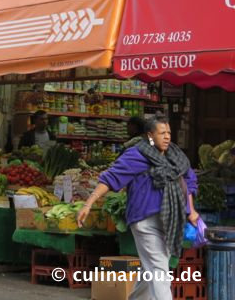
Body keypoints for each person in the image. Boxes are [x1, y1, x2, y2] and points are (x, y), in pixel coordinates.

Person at [77, 115, 198, 300]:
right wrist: (89, 203)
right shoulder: (136, 154)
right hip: (144, 221)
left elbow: (188, 182)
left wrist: (191, 210)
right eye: (162, 133)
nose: (167, 137)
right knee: (159, 270)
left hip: (169, 220)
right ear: (150, 136)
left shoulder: (176, 156)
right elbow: (111, 177)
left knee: (151, 268)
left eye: (169, 133)